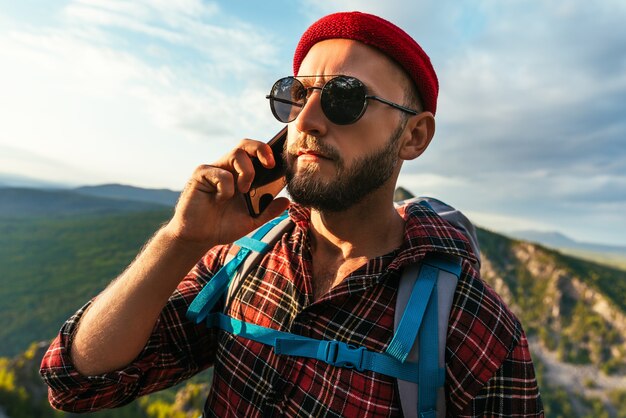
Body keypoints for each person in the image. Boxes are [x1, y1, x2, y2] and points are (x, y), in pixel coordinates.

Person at [40, 11, 543, 417]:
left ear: (414, 136)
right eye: (295, 95)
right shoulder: (243, 259)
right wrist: (181, 240)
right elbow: (77, 383)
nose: (305, 120)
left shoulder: (470, 322)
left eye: (346, 97)